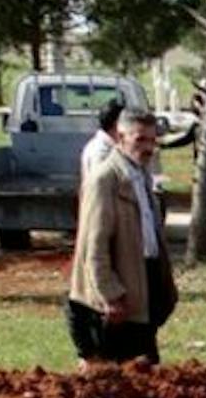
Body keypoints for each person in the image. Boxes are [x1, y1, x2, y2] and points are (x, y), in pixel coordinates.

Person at [67, 107, 175, 371]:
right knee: (116, 373)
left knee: (145, 368)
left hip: (143, 281)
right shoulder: (105, 179)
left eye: (152, 140)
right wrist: (110, 294)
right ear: (120, 136)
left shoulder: (141, 176)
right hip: (120, 291)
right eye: (140, 139)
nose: (148, 147)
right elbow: (95, 244)